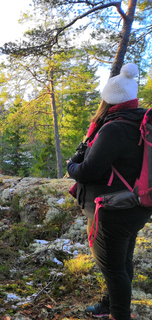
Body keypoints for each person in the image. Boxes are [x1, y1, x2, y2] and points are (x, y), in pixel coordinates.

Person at [67, 63, 152, 320]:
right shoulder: (140, 122)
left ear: (108, 98)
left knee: (113, 268)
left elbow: (88, 171)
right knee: (122, 261)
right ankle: (109, 305)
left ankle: (119, 314)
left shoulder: (114, 128)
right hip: (135, 206)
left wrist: (72, 165)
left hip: (112, 211)